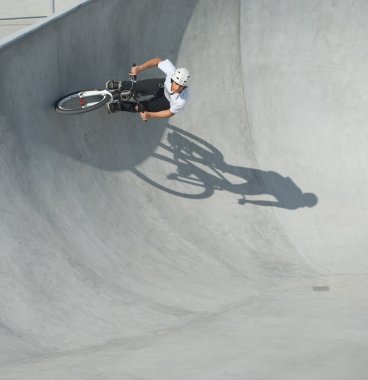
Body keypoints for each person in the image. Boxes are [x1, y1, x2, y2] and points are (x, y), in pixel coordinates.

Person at [105, 57, 190, 121]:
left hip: (167, 101)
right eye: (176, 83)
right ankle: (120, 85)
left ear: (184, 87)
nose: (177, 88)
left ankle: (120, 106)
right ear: (172, 79)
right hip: (161, 86)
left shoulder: (182, 100)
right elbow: (157, 61)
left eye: (181, 86)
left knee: (140, 107)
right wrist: (140, 68)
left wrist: (150, 115)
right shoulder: (172, 71)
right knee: (137, 86)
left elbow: (170, 113)